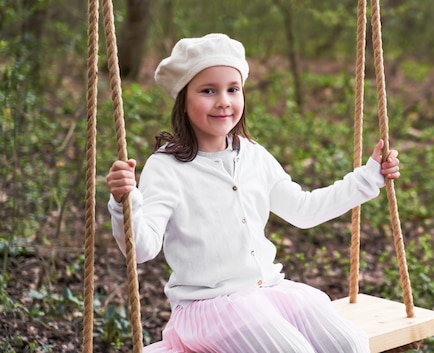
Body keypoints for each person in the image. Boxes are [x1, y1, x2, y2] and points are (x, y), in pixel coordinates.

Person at [106, 33, 401, 353]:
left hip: (269, 293)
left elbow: (304, 209)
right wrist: (125, 202)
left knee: (350, 344)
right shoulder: (166, 168)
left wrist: (369, 177)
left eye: (232, 89)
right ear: (183, 99)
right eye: (208, 90)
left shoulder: (253, 155)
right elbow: (142, 248)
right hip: (210, 307)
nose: (223, 101)